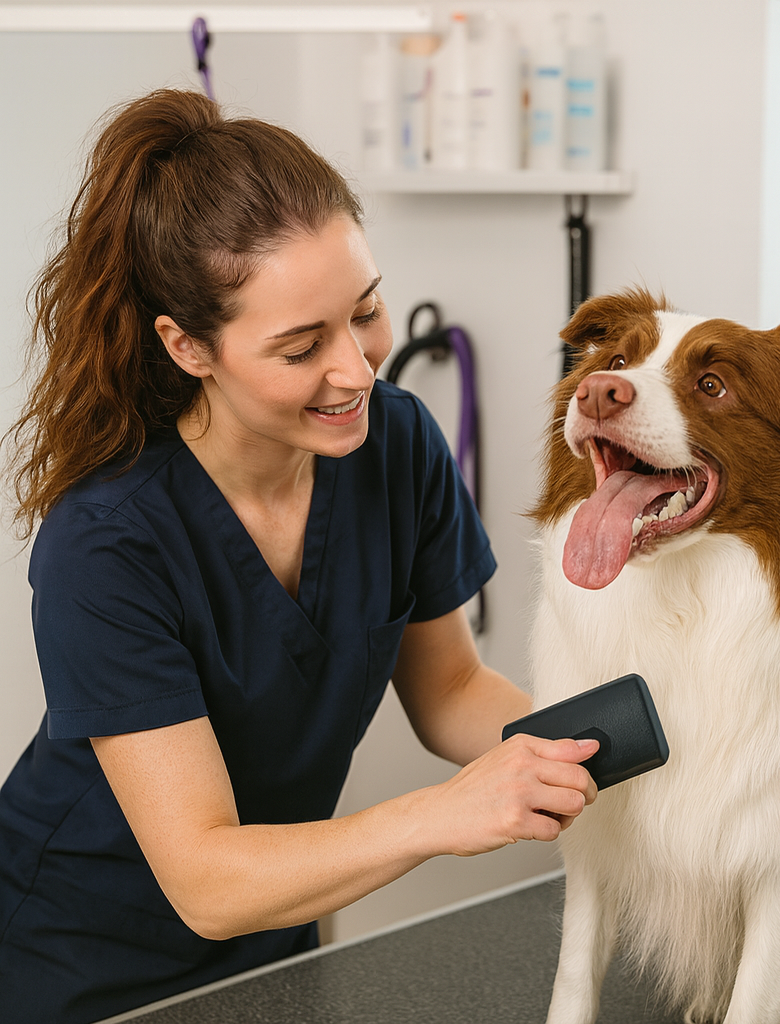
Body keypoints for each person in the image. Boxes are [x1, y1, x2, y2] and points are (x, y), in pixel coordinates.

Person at [0, 89, 598, 1024]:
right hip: (78, 964)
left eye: (365, 311)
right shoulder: (107, 542)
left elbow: (449, 693)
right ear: (188, 346)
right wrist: (440, 815)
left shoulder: (392, 442)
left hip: (276, 939)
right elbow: (204, 877)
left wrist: (610, 746)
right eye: (300, 346)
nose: (358, 369)